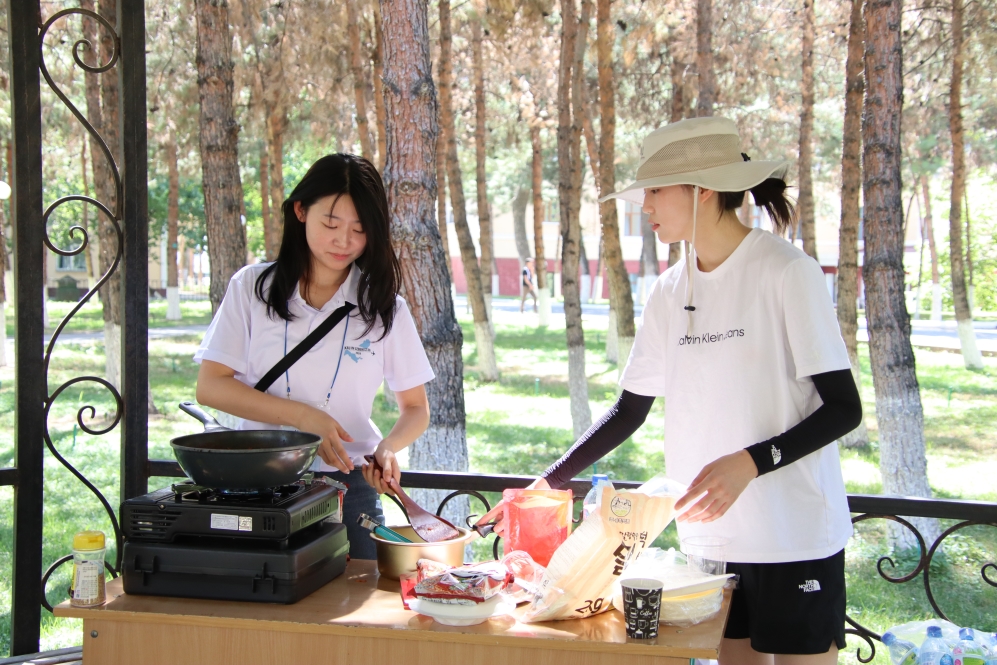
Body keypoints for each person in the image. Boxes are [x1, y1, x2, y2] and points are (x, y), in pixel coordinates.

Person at [483, 117, 861, 664]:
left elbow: (844, 409)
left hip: (794, 533)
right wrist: (548, 481)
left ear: (702, 191)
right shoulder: (668, 289)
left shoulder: (787, 272)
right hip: (711, 540)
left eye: (655, 191)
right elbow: (628, 411)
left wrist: (752, 462)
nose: (646, 205)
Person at [194, 154, 436, 559]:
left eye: (360, 229)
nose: (344, 241)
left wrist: (388, 449)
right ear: (301, 211)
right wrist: (306, 419)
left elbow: (416, 408)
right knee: (265, 610)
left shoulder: (384, 307)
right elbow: (210, 387)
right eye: (331, 224)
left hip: (350, 490)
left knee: (352, 613)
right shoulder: (252, 288)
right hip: (260, 484)